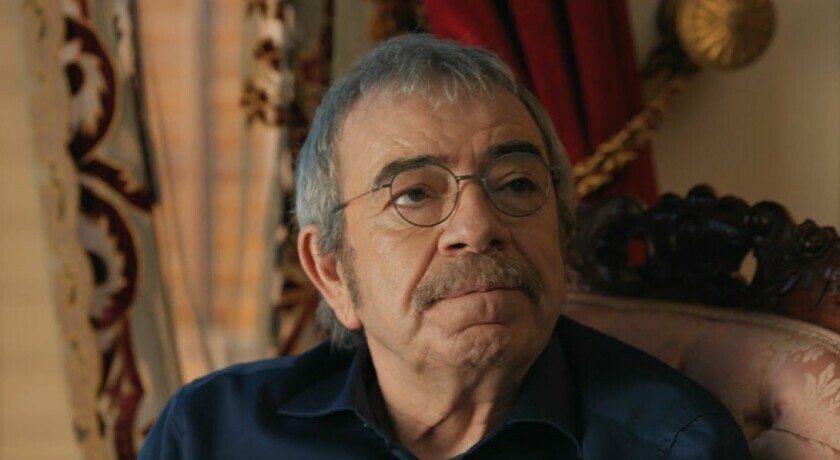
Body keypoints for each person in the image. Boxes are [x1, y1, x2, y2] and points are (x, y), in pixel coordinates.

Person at [140, 34, 750, 459]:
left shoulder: (672, 447)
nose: (477, 226)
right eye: (413, 194)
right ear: (331, 272)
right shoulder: (209, 433)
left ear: (563, 233)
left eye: (516, 184)